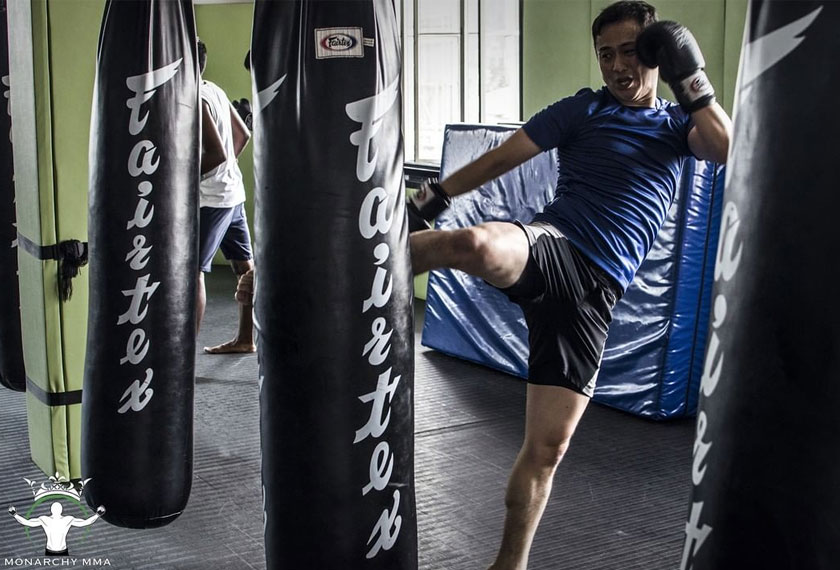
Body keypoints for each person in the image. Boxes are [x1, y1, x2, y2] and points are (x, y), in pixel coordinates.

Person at [407, 2, 732, 569]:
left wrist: (690, 77)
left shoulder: (678, 127)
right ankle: (348, 269)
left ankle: (508, 565)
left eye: (629, 52)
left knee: (548, 449)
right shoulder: (582, 109)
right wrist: (435, 196)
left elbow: (727, 148)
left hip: (594, 296)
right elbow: (501, 158)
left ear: (655, 55)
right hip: (555, 247)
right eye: (605, 54)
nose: (617, 66)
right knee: (476, 244)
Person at [197, 39, 256, 354]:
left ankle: (183, 358)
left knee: (193, 273)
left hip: (210, 200)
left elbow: (216, 154)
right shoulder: (213, 90)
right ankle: (246, 339)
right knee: (244, 268)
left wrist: (182, 179)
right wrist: (226, 169)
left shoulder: (194, 99)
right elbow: (242, 135)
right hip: (233, 192)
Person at [9, 503, 105, 556]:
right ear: (61, 510)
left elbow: (27, 522)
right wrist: (97, 514)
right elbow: (85, 522)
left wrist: (14, 514)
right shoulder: (68, 519)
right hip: (62, 550)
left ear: (51, 510)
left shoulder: (44, 519)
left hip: (50, 550)